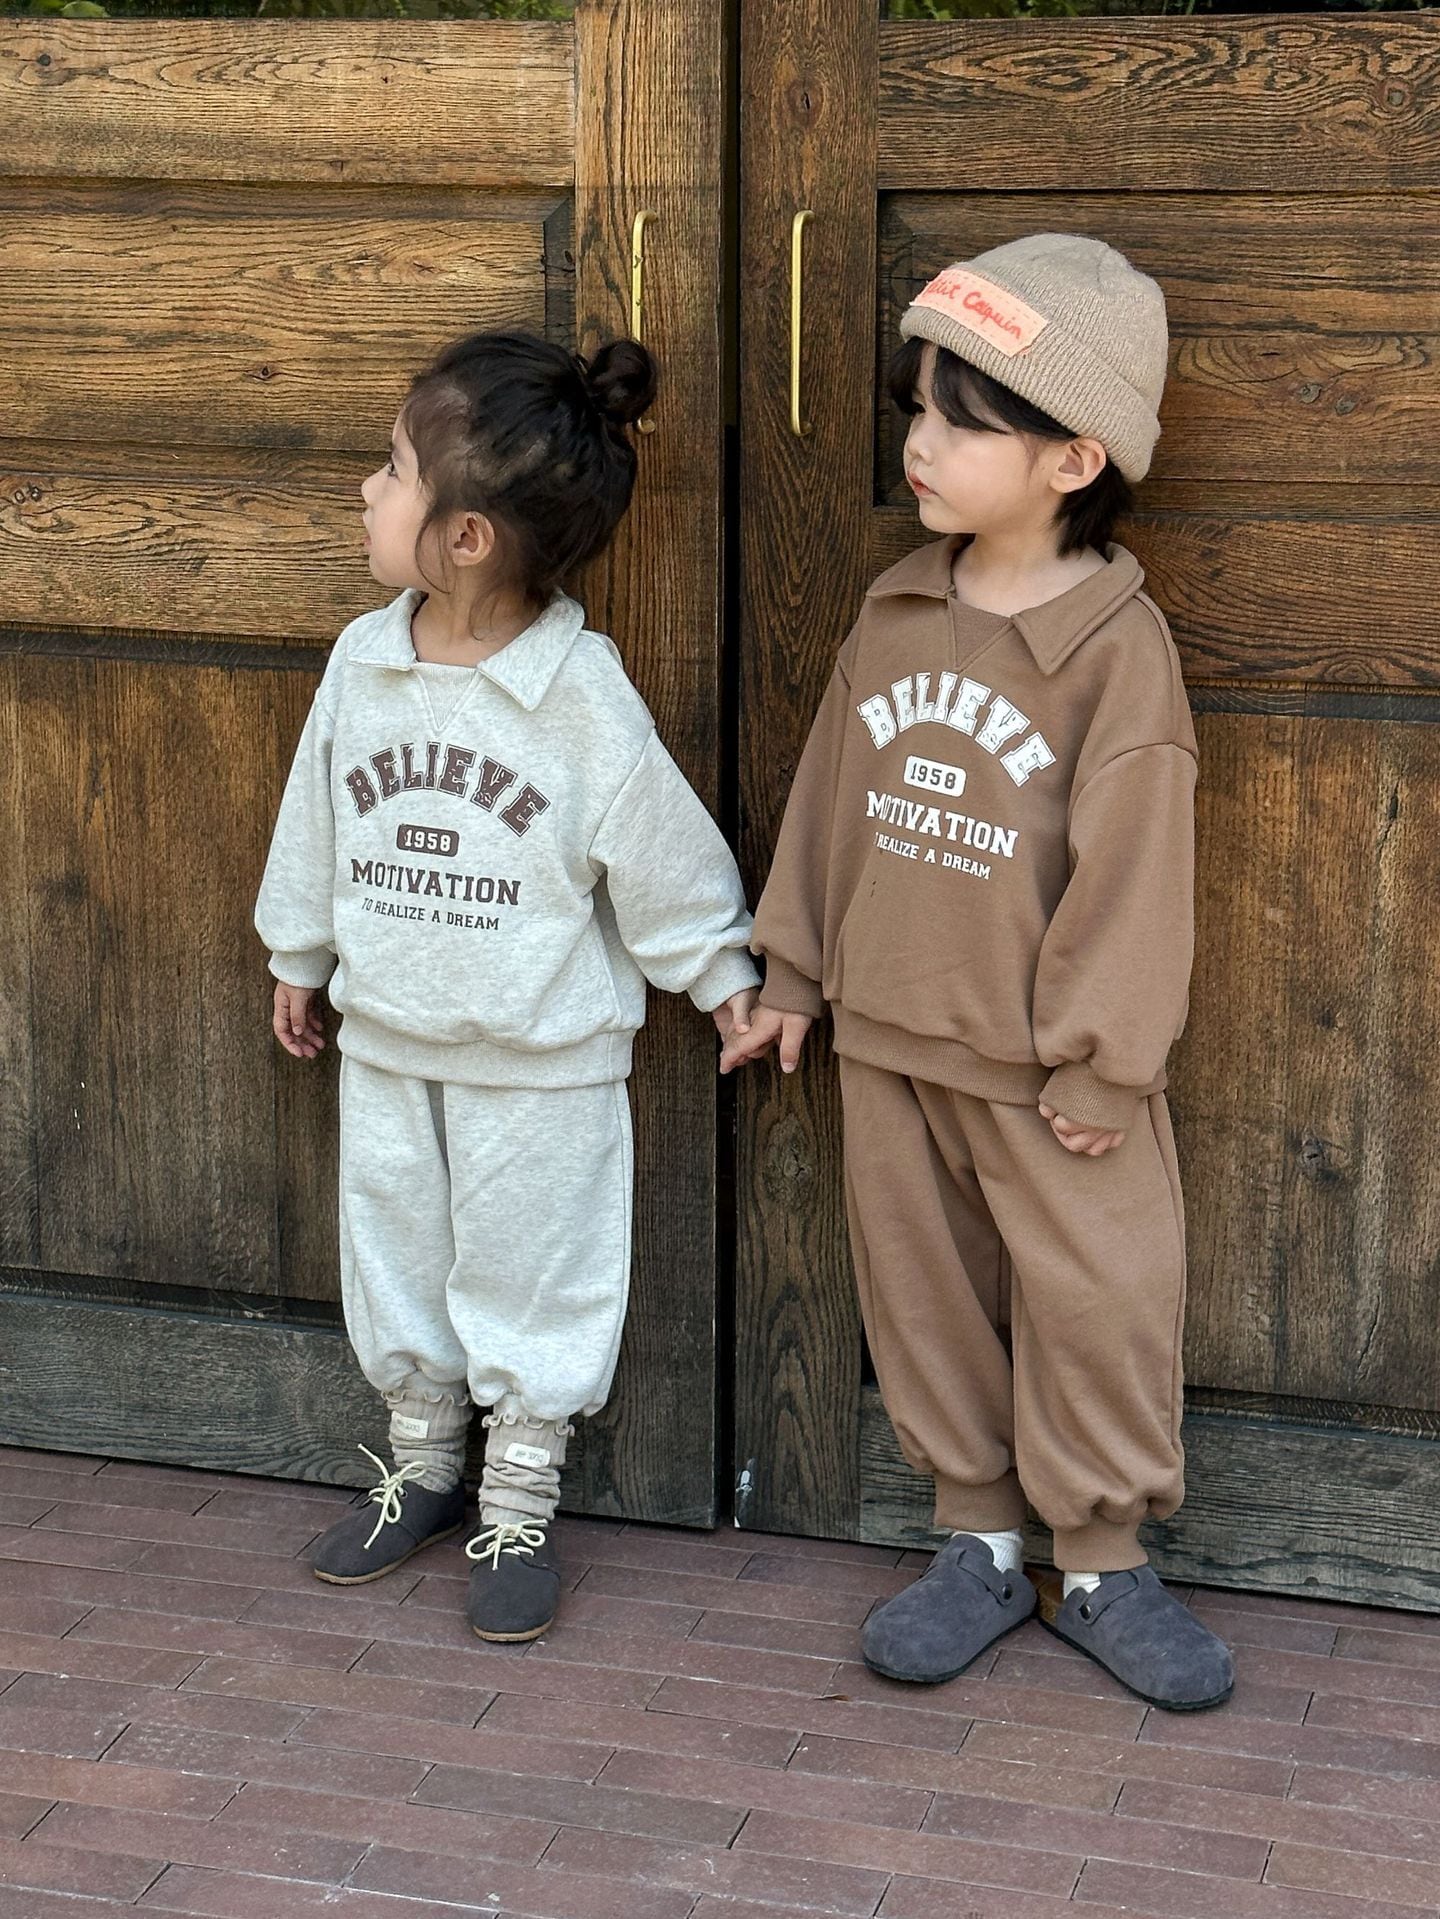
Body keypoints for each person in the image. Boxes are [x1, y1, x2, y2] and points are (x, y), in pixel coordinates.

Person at [723, 235, 1233, 1711]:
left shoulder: (1115, 652)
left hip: (1048, 1072)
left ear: (1074, 459)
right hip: (890, 1040)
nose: (921, 445)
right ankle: (980, 1544)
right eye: (919, 410)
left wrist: (1105, 1061)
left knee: (1098, 1298)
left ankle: (1105, 1560)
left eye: (962, 421)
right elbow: (831, 804)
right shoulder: (894, 613)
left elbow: (1138, 872)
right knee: (925, 1297)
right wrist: (793, 974)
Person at [256, 331, 758, 1642]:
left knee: (537, 1278)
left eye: (393, 471)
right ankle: (423, 1469)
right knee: (396, 1256)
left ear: (467, 536)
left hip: (543, 1065)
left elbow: (656, 848)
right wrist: (299, 954)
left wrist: (720, 975)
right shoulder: (363, 661)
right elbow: (313, 820)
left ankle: (519, 1499)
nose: (368, 489)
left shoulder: (576, 692)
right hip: (389, 1043)